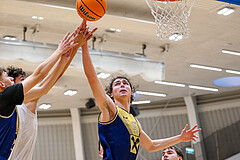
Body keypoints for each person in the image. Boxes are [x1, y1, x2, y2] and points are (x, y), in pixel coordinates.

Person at [81, 28, 201, 159]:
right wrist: (84, 45)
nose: (122, 84)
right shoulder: (109, 109)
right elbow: (92, 77)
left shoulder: (135, 122)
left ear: (131, 92)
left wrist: (181, 138)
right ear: (111, 94)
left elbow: (151, 146)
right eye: (117, 84)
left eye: (125, 83)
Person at [6, 21, 96, 160]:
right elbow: (44, 79)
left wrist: (76, 45)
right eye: (21, 81)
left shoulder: (27, 101)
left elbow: (53, 78)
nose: (28, 84)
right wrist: (70, 47)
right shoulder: (14, 101)